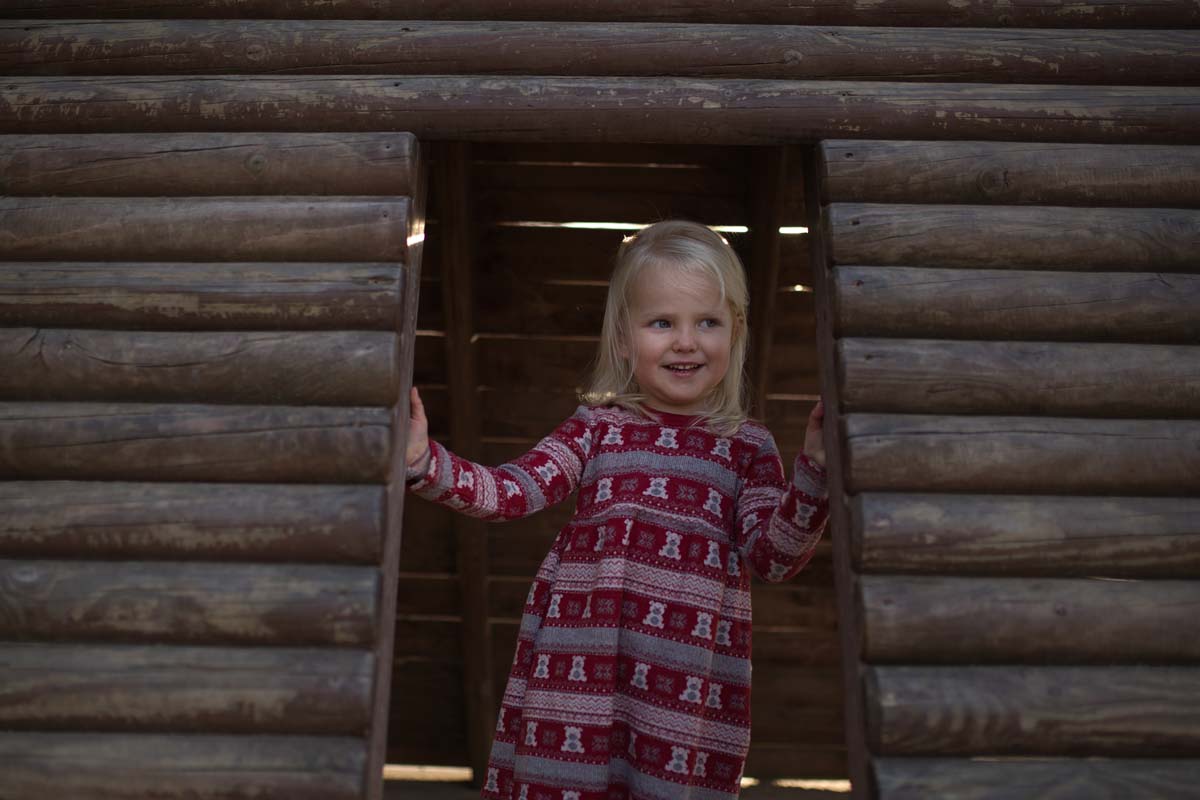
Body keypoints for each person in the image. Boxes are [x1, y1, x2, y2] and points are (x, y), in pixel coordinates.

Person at [405, 219, 829, 800]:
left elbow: (774, 557)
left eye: (708, 322)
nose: (686, 341)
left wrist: (815, 473)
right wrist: (424, 462)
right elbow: (512, 490)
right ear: (625, 339)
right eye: (663, 322)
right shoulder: (598, 428)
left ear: (736, 331)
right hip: (580, 677)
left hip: (680, 695)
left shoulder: (747, 448)